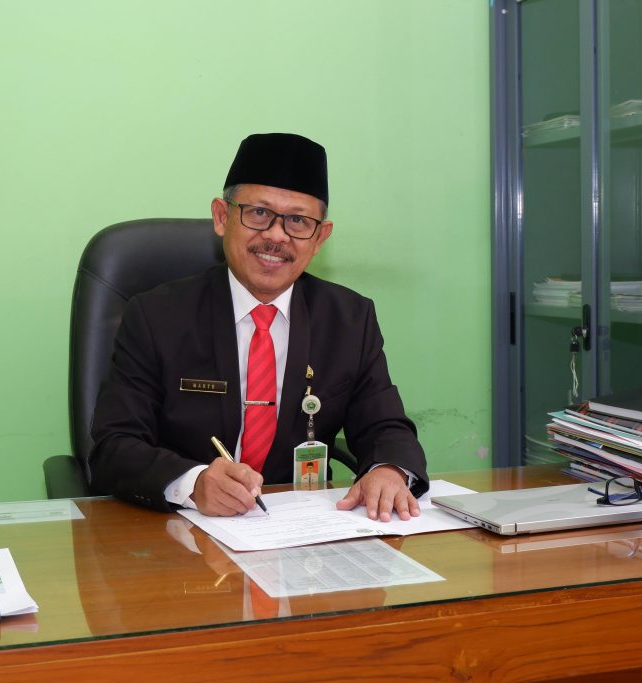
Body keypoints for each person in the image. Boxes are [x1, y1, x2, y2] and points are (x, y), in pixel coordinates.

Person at [90, 133, 428, 522]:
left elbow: (385, 425)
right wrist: (192, 483)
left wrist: (388, 470)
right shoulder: (156, 315)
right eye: (258, 213)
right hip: (180, 529)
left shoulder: (350, 319)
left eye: (298, 221)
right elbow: (114, 446)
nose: (276, 235)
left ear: (320, 238)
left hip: (302, 531)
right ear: (222, 216)